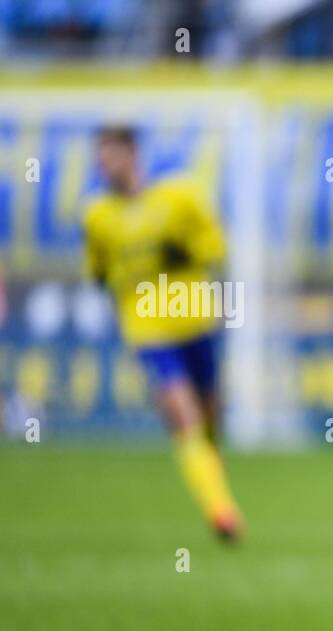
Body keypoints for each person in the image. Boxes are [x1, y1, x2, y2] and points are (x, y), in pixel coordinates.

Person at [84, 126, 243, 540]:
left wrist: (187, 251)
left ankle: (211, 470)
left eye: (110, 155)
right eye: (99, 157)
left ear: (133, 154)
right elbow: (98, 272)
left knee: (209, 416)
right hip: (148, 329)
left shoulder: (179, 198)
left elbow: (217, 247)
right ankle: (221, 512)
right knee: (182, 415)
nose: (103, 165)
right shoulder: (97, 217)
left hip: (194, 318)